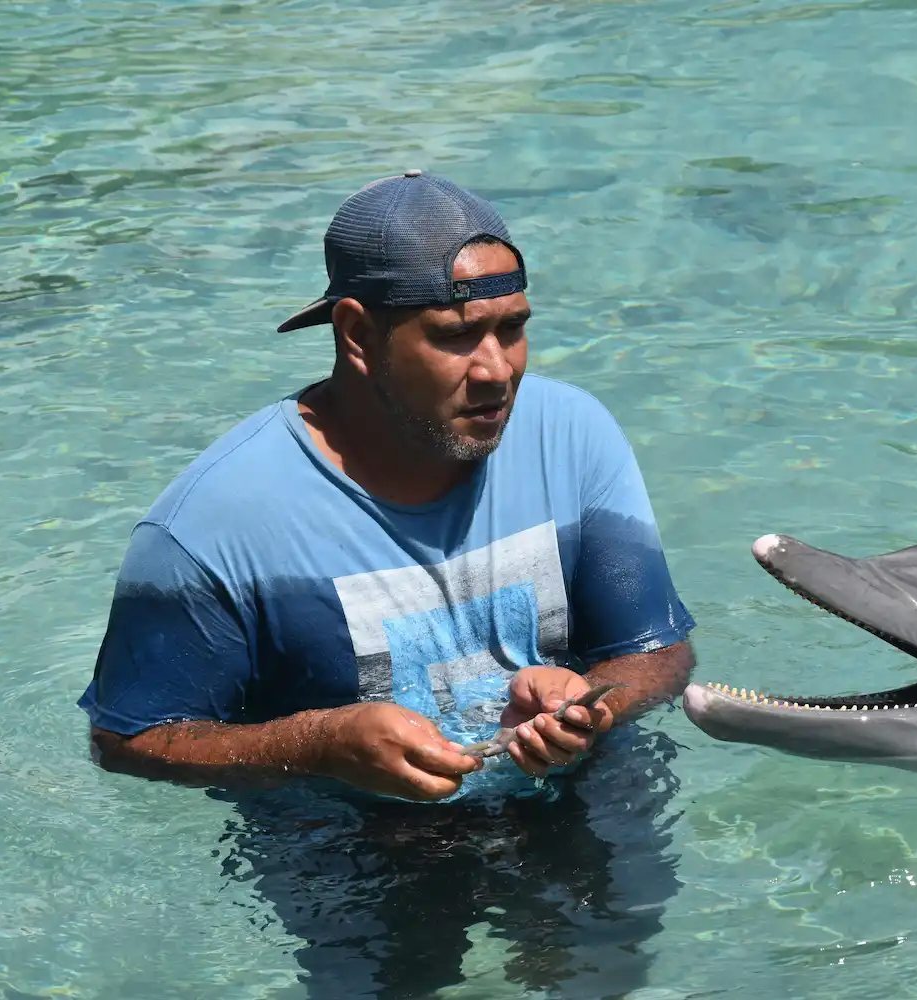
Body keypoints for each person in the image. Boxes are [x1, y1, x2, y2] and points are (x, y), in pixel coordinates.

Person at [77, 170, 699, 998]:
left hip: (573, 794)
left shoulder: (573, 435)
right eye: (456, 337)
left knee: (599, 982)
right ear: (357, 334)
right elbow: (129, 740)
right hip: (349, 838)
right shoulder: (213, 524)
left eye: (514, 329)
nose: (497, 370)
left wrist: (588, 705)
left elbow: (657, 652)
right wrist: (320, 744)